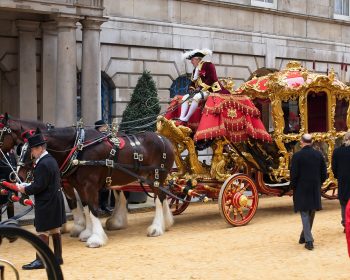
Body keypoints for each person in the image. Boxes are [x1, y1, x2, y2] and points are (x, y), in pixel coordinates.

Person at [17, 132, 66, 269]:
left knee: (42, 231)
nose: (32, 153)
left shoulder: (43, 163)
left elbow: (39, 186)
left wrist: (24, 189)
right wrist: (29, 185)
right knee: (55, 229)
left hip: (46, 201)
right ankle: (57, 258)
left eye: (33, 149)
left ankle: (41, 260)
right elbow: (43, 182)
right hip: (54, 199)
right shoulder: (50, 160)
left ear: (40, 148)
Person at [290, 133, 327, 250]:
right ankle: (304, 236)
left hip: (301, 187)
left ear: (302, 142)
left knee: (305, 213)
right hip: (314, 187)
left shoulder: (297, 156)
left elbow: (294, 175)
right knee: (311, 213)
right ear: (311, 142)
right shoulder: (318, 155)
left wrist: (293, 187)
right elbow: (324, 174)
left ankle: (309, 241)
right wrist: (318, 183)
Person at [176, 48, 230, 125]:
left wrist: (200, 88)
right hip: (199, 91)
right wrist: (191, 88)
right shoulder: (195, 70)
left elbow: (212, 78)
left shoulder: (208, 65)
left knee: (196, 97)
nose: (191, 62)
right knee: (185, 98)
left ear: (197, 59)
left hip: (211, 90)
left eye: (192, 60)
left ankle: (186, 119)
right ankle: (181, 118)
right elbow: (192, 83)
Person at [332, 131, 350, 233]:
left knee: (344, 202)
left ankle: (345, 223)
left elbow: (334, 168)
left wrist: (337, 176)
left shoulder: (338, 151)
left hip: (343, 180)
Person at [94, 120, 113, 214]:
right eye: (104, 126)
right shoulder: (96, 137)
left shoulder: (106, 135)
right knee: (97, 188)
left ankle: (104, 205)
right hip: (97, 166)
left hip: (106, 165)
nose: (106, 128)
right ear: (100, 127)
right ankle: (97, 206)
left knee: (105, 187)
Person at [0, 149, 16, 221]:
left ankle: (11, 223)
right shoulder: (1, 153)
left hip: (12, 183)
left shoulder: (12, 153)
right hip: (3, 183)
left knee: (10, 205)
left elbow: (14, 167)